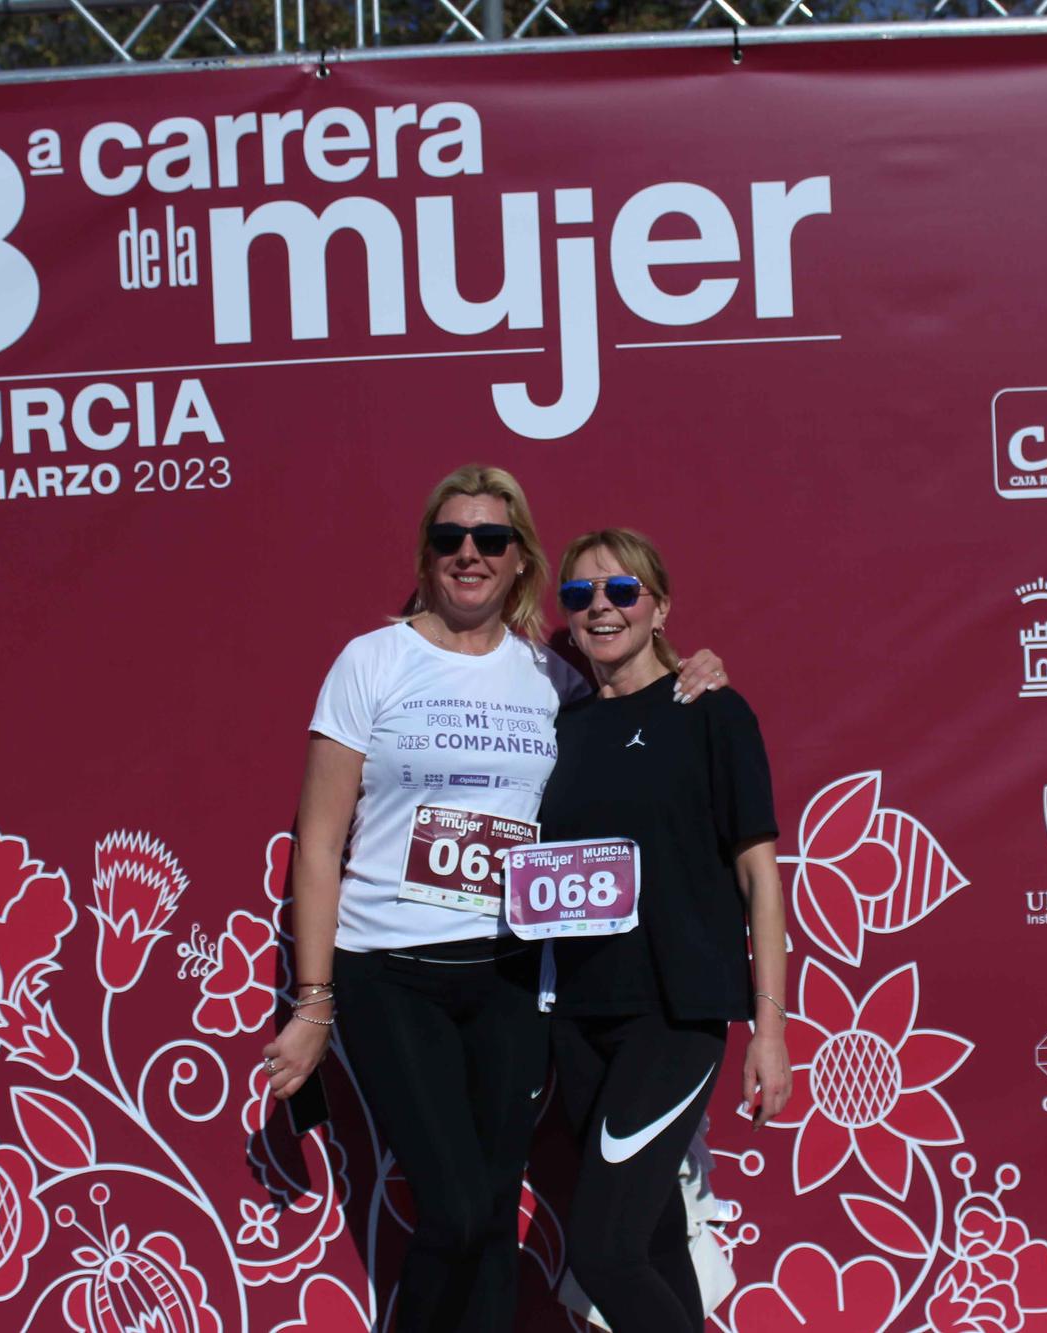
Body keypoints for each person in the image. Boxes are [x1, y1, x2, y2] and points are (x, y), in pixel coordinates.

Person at [257, 466, 726, 1333]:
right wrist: (313, 1000)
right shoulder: (372, 662)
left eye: (490, 540)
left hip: (513, 976)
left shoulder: (554, 678)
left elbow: (641, 712)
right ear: (427, 554)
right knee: (460, 1212)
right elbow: (318, 844)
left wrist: (694, 666)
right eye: (449, 538)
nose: (468, 554)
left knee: (492, 1215)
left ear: (520, 560)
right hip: (388, 971)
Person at [535, 529, 791, 1333]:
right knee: (649, 1235)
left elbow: (759, 877)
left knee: (605, 1250)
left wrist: (770, 1029)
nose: (600, 609)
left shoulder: (710, 711)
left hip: (672, 1016)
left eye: (621, 592)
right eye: (579, 596)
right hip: (578, 1019)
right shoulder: (562, 730)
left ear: (660, 606)